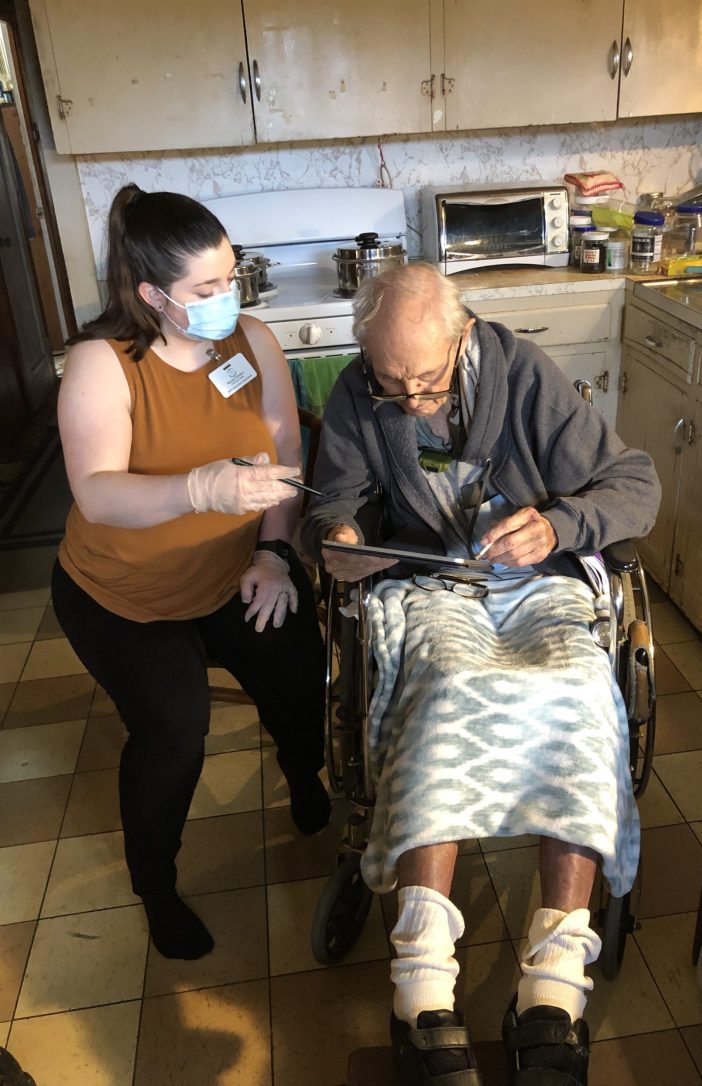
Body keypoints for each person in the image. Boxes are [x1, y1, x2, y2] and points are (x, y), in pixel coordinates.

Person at [301, 264, 661, 1086]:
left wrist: (564, 524)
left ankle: (550, 988)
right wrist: (342, 536)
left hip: (538, 581)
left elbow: (637, 484)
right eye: (389, 383)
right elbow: (326, 506)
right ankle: (423, 979)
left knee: (576, 692)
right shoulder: (364, 393)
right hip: (430, 587)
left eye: (424, 379)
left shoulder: (522, 375)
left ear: (462, 336)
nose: (410, 397)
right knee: (443, 689)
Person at [52, 184, 328, 962]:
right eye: (205, 289)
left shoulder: (252, 342)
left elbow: (285, 461)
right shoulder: (102, 364)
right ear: (151, 295)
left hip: (234, 571)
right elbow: (97, 493)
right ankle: (157, 888)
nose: (226, 299)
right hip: (122, 594)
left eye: (231, 277)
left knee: (299, 671)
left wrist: (275, 554)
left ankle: (303, 771)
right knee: (174, 731)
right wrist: (200, 486)